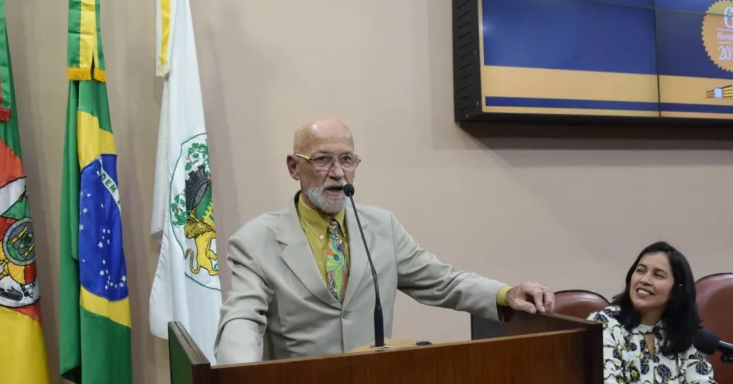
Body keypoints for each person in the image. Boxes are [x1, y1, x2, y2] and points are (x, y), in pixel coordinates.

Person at [214, 117, 555, 364]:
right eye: (322, 159)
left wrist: (504, 293)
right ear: (294, 167)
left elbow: (442, 281)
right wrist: (238, 379)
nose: (337, 172)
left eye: (346, 159)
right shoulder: (255, 240)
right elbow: (242, 317)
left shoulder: (382, 226)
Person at [589, 242, 721, 384]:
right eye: (640, 271)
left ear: (677, 290)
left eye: (658, 275)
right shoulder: (604, 324)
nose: (644, 280)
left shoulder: (681, 331)